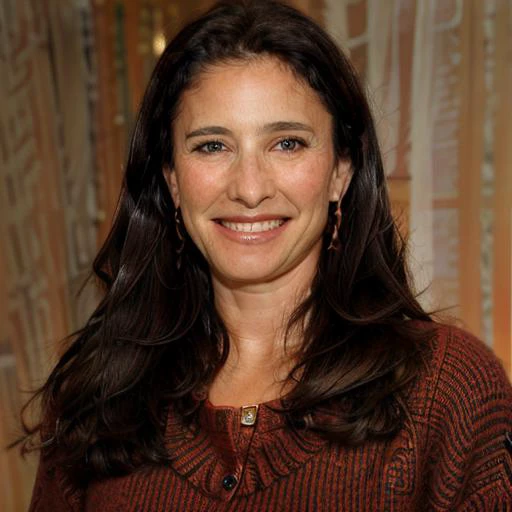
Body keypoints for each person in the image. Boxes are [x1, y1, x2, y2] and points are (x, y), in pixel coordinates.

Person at [20, 0, 512, 510]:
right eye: (212, 146)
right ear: (171, 180)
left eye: (287, 144)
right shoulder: (96, 396)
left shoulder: (448, 391)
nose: (250, 189)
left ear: (341, 171)